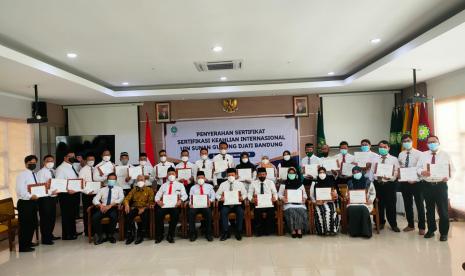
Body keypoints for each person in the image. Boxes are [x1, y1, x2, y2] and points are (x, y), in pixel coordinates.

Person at [417, 135, 455, 241]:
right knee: (429, 210)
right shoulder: (423, 155)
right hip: (427, 185)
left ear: (438, 142)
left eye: (434, 141)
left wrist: (447, 177)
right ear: (427, 144)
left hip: (441, 186)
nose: (432, 144)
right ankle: (431, 230)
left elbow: (452, 170)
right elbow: (418, 168)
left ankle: (443, 233)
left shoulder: (445, 155)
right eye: (429, 142)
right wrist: (421, 172)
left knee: (443, 210)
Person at [398, 134, 425, 235]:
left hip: (417, 183)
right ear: (402, 143)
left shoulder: (420, 154)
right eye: (404, 141)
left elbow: (422, 169)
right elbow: (400, 167)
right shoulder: (401, 154)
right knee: (407, 204)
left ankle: (422, 227)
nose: (406, 143)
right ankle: (410, 225)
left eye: (408, 140)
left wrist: (417, 179)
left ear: (412, 141)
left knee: (419, 205)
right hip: (405, 183)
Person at [371, 140, 400, 232]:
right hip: (378, 184)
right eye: (380, 147)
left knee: (391, 205)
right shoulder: (375, 159)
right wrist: (377, 175)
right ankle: (379, 223)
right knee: (378, 204)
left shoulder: (394, 159)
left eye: (384, 147)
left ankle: (393, 224)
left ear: (388, 148)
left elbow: (396, 171)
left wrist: (390, 177)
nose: (382, 149)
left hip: (390, 185)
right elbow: (373, 171)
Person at [154, 167, 188, 244]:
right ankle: (160, 235)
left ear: (176, 175)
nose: (171, 175)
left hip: (174, 206)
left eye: (173, 173)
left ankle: (170, 235)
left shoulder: (180, 185)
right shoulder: (163, 185)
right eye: (169, 174)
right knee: (158, 214)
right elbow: (157, 196)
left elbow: (185, 195)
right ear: (167, 175)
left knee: (175, 215)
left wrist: (180, 200)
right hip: (164, 205)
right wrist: (158, 201)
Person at [91, 173, 124, 245]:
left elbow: (121, 198)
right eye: (110, 179)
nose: (111, 180)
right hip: (103, 208)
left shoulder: (119, 189)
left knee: (113, 217)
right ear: (107, 180)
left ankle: (110, 235)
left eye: (113, 179)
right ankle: (100, 235)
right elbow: (95, 199)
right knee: (95, 217)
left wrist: (110, 205)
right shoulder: (102, 189)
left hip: (113, 207)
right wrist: (100, 205)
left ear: (115, 180)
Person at [56, 150, 81, 240]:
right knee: (67, 215)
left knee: (72, 215)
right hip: (66, 195)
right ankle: (67, 235)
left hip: (74, 194)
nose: (72, 158)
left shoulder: (72, 166)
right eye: (70, 156)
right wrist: (67, 190)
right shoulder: (61, 168)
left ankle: (72, 232)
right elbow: (59, 183)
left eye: (74, 156)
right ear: (65, 158)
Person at [15, 155, 39, 252]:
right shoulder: (22, 175)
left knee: (32, 223)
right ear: (26, 164)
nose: (33, 165)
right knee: (25, 225)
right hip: (25, 202)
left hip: (33, 202)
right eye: (31, 163)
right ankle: (23, 246)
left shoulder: (34, 174)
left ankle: (28, 242)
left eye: (34, 163)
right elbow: (20, 190)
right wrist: (30, 196)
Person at [216, 168, 247, 241]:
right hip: (226, 205)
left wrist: (242, 197)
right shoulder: (223, 184)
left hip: (237, 204)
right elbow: (217, 194)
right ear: (226, 175)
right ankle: (225, 232)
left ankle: (238, 231)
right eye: (229, 175)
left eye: (232, 175)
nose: (231, 176)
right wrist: (220, 198)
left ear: (235, 175)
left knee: (240, 212)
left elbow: (245, 193)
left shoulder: (240, 184)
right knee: (223, 212)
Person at [123, 175, 154, 245]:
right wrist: (126, 204)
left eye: (142, 180)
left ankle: (141, 235)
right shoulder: (134, 189)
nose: (140, 181)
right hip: (135, 207)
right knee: (128, 214)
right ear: (136, 181)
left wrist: (143, 208)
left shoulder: (149, 190)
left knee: (144, 216)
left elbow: (151, 202)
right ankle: (131, 234)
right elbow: (127, 198)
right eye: (138, 180)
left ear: (145, 181)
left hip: (145, 208)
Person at [346, 166, 376, 238]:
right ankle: (354, 232)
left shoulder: (368, 181)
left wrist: (371, 200)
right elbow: (347, 193)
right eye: (354, 172)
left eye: (357, 172)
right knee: (352, 209)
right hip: (353, 203)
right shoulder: (350, 182)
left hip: (365, 203)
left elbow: (373, 193)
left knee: (363, 208)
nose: (356, 173)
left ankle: (365, 232)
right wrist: (347, 197)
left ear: (361, 172)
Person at [278, 167, 309, 238]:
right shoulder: (284, 184)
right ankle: (293, 230)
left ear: (295, 174)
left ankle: (299, 229)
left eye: (293, 173)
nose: (291, 175)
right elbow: (279, 194)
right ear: (288, 174)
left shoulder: (300, 184)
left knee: (301, 210)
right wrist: (283, 198)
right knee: (291, 210)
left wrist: (304, 198)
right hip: (288, 204)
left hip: (299, 203)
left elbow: (304, 194)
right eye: (290, 173)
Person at [36, 154, 60, 244]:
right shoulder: (41, 173)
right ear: (44, 162)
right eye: (48, 161)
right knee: (45, 219)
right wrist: (50, 192)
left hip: (53, 198)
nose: (50, 163)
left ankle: (50, 235)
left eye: (52, 161)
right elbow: (41, 187)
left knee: (52, 218)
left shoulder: (53, 171)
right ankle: (45, 239)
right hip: (45, 198)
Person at [248, 167, 278, 236]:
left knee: (271, 213)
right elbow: (249, 193)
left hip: (269, 203)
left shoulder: (270, 182)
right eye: (260, 174)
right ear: (257, 175)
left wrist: (275, 198)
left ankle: (268, 230)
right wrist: (251, 199)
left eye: (263, 174)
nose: (262, 176)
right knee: (257, 213)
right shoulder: (253, 183)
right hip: (258, 203)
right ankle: (259, 231)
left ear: (266, 174)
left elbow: (275, 193)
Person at [310, 167, 339, 235]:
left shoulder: (330, 181)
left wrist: (335, 195)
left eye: (323, 172)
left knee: (331, 211)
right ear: (318, 174)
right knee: (321, 211)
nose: (322, 174)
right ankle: (323, 230)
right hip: (319, 203)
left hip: (329, 202)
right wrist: (316, 202)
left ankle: (332, 230)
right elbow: (311, 196)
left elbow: (335, 194)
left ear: (326, 173)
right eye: (320, 172)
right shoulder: (314, 183)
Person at [188, 171, 215, 242]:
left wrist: (210, 201)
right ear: (196, 179)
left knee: (208, 213)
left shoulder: (209, 186)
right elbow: (190, 197)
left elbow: (213, 196)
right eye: (198, 178)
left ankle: (208, 233)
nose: (200, 179)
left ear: (205, 178)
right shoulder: (193, 187)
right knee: (191, 213)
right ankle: (193, 233)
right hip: (195, 206)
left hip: (206, 205)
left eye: (202, 177)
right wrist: (190, 204)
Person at [78, 152, 98, 236]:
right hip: (87, 195)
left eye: (92, 159)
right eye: (89, 160)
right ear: (86, 160)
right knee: (87, 213)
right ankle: (87, 231)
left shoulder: (95, 169)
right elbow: (81, 184)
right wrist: (87, 191)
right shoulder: (83, 170)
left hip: (95, 194)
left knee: (95, 212)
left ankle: (95, 230)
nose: (91, 161)